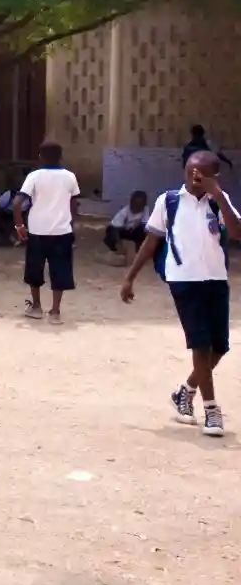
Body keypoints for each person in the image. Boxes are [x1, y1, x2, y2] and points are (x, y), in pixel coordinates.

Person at [121, 150, 237, 437]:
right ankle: (211, 410)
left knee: (219, 346)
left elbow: (236, 232)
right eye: (189, 172)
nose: (194, 178)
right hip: (184, 280)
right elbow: (151, 242)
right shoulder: (169, 201)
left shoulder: (219, 201)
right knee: (200, 343)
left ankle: (185, 390)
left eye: (201, 174)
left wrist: (218, 194)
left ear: (213, 176)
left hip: (216, 279)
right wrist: (130, 278)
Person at [15, 140, 81, 323]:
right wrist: (72, 224)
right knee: (60, 269)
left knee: (34, 269)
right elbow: (74, 204)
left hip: (37, 230)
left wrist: (19, 226)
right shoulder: (70, 177)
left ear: (40, 156)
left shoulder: (34, 176)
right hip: (62, 230)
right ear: (61, 157)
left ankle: (36, 306)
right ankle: (55, 312)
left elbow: (17, 203)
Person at [105, 191, 152, 262]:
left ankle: (139, 252)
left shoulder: (145, 209)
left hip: (131, 230)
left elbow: (145, 225)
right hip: (118, 230)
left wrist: (148, 241)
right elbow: (115, 229)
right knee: (111, 234)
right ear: (131, 203)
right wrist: (120, 246)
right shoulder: (124, 212)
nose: (137, 208)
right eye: (135, 205)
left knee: (143, 231)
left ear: (143, 205)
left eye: (139, 206)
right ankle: (114, 251)